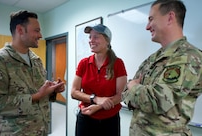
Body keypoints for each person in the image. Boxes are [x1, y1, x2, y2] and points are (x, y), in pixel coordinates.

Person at [122, 0, 202, 136]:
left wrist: (134, 88)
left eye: (151, 19)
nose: (147, 27)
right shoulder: (153, 58)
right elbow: (125, 92)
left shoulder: (189, 57)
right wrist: (133, 89)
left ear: (170, 17)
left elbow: (156, 101)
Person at [0, 10, 65, 136]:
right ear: (20, 30)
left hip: (41, 130)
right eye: (36, 30)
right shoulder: (1, 60)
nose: (40, 35)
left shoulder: (36, 59)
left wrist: (52, 90)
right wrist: (36, 96)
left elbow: (39, 91)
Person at [71, 24, 127, 136]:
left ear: (107, 41)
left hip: (110, 120)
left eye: (96, 37)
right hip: (86, 118)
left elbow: (121, 95)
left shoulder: (117, 64)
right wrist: (96, 99)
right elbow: (74, 92)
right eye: (90, 37)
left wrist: (99, 106)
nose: (91, 40)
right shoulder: (84, 63)